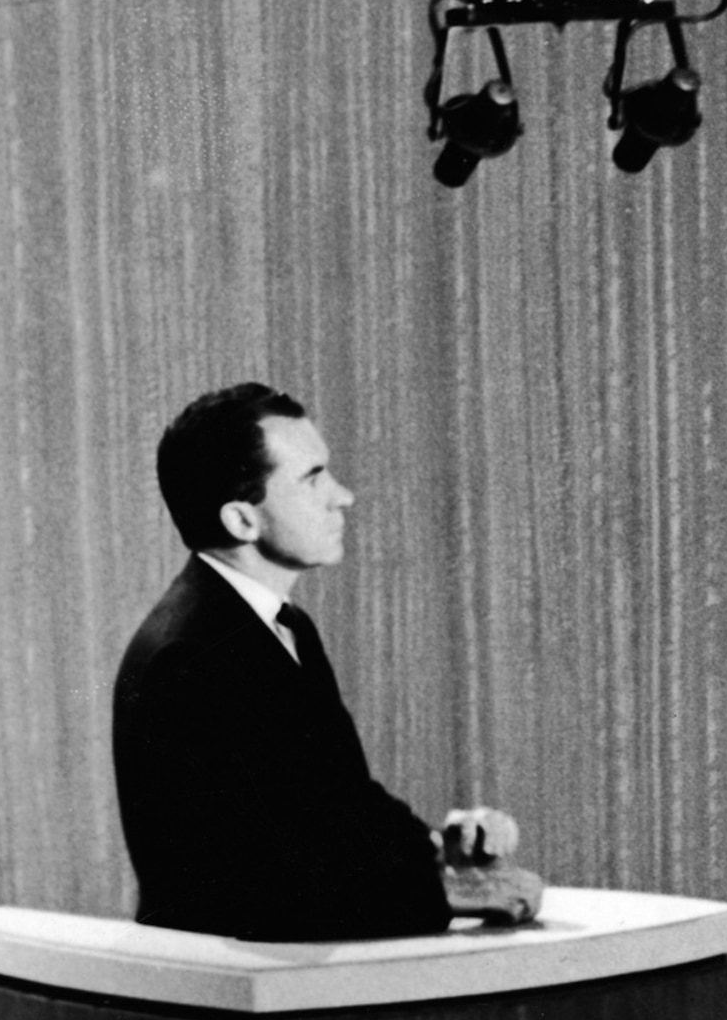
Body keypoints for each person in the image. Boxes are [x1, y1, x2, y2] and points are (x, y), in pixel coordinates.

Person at [112, 383, 540, 937]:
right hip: (238, 1004)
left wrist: (439, 847)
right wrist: (444, 893)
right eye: (313, 479)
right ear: (243, 520)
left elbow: (335, 803)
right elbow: (246, 883)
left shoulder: (277, 626)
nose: (343, 496)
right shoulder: (189, 655)